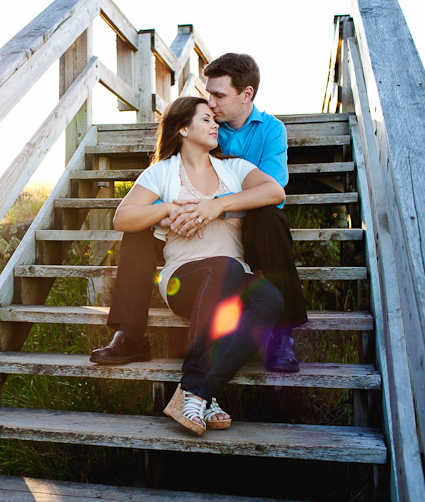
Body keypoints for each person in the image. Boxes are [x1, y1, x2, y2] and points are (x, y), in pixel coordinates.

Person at [90, 53, 307, 373]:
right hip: (188, 237)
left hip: (245, 231)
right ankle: (130, 334)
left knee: (270, 216)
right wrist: (172, 213)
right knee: (137, 230)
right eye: (208, 96)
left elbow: (273, 191)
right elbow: (158, 189)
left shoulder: (270, 131)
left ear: (246, 95)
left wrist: (214, 207)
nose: (212, 104)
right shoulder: (202, 123)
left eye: (219, 95)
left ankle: (281, 334)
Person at [108, 96, 284, 435]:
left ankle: (198, 390)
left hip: (233, 276)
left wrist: (215, 206)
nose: (215, 124)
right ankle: (200, 389)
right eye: (206, 119)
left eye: (214, 119)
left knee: (270, 298)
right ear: (184, 128)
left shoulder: (234, 168)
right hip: (184, 280)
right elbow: (122, 218)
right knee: (225, 268)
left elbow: (274, 191)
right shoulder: (162, 172)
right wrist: (167, 209)